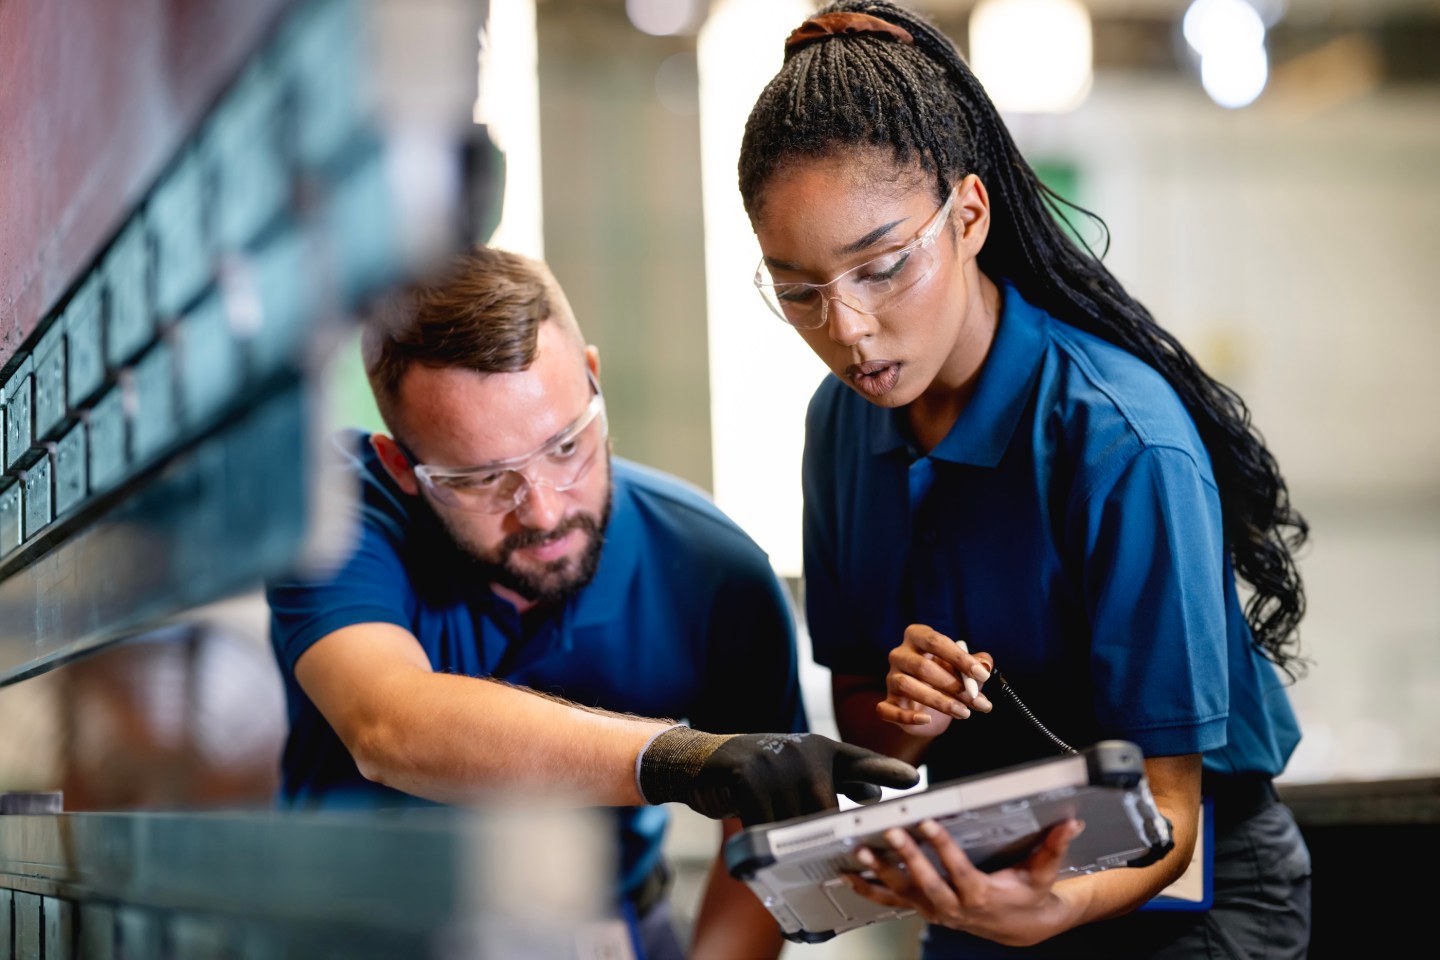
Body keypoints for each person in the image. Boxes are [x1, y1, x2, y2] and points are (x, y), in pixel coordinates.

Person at [735, 3, 1313, 957]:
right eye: (798, 291)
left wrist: (1049, 914)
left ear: (968, 215)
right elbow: (863, 729)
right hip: (984, 872)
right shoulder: (839, 425)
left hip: (1182, 893)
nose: (847, 330)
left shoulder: (1119, 440)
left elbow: (1173, 815)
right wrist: (906, 719)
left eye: (880, 267)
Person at [264, 245, 919, 960]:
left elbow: (758, 851)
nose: (543, 512)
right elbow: (388, 725)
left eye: (566, 445)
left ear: (594, 381)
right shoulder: (334, 516)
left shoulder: (714, 573)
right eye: (482, 479)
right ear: (402, 468)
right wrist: (682, 758)